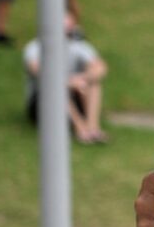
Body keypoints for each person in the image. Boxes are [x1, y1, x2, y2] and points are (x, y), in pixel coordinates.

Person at [23, 13, 108, 144]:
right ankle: (80, 129)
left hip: (74, 94)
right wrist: (69, 83)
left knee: (93, 84)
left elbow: (100, 67)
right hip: (41, 105)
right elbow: (38, 71)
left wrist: (82, 78)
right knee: (54, 88)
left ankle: (93, 128)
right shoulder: (35, 47)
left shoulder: (78, 46)